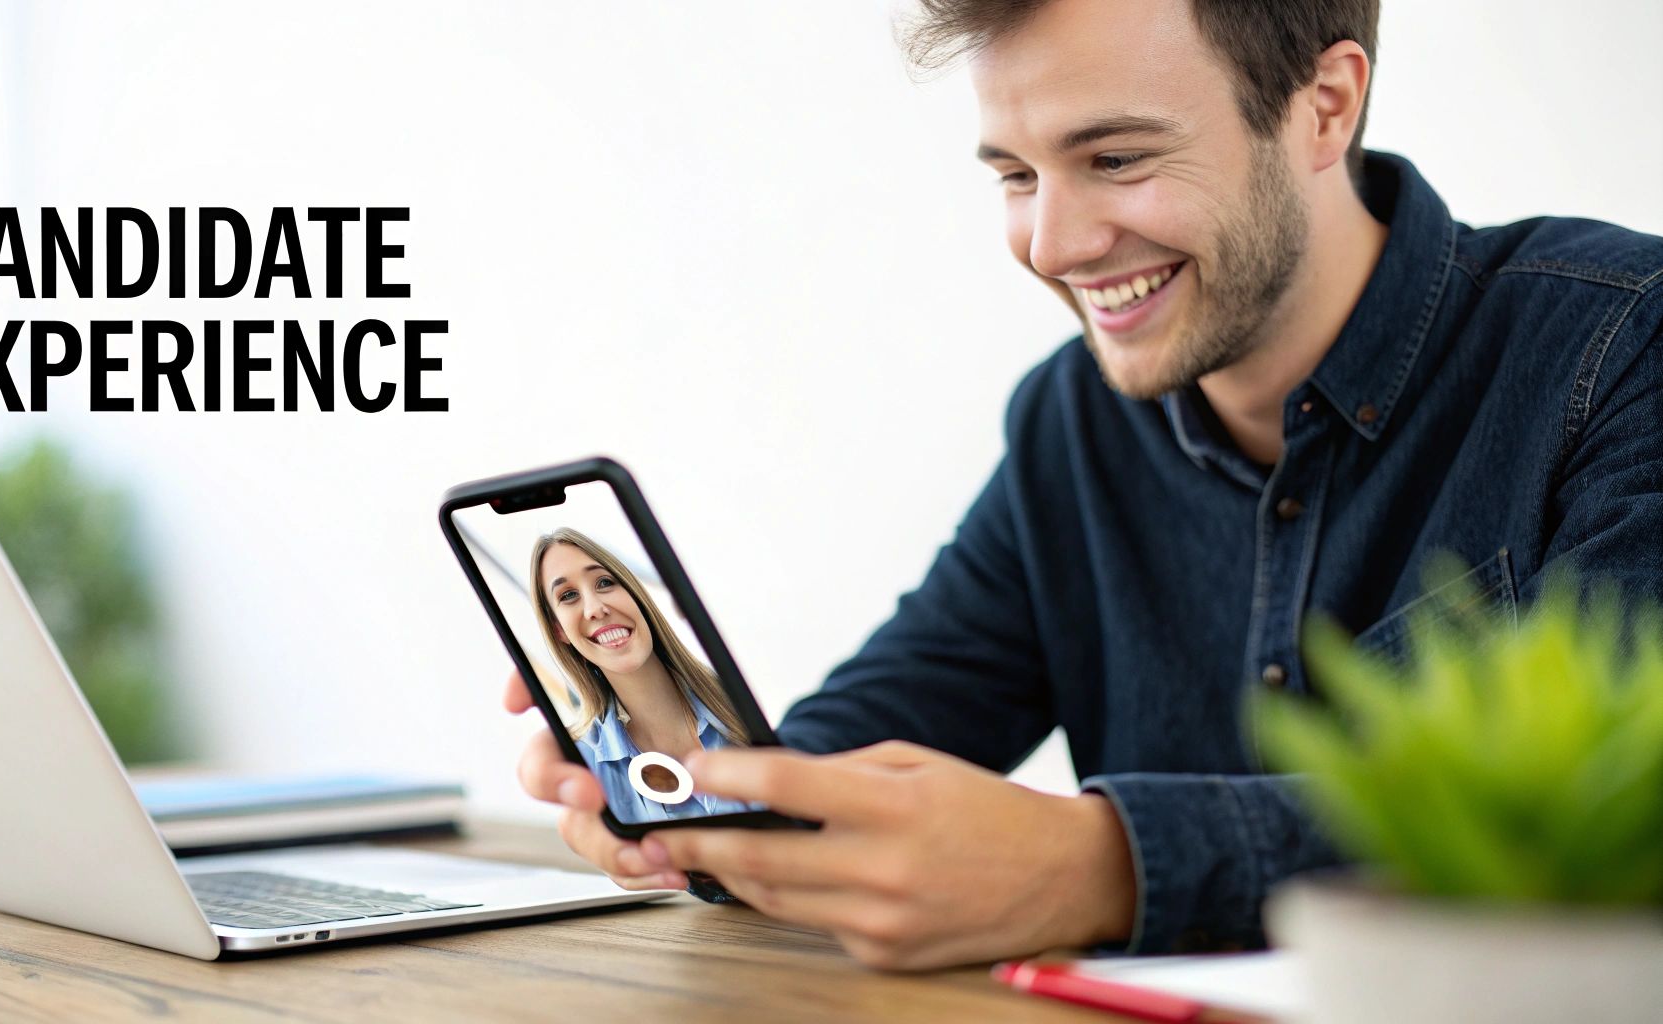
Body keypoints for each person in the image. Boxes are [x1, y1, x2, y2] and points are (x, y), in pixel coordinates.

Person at [507, 0, 1663, 970]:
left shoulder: (1617, 347)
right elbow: (866, 738)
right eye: (1015, 173)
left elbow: (1626, 821)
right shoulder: (1069, 421)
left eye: (1114, 158)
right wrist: (679, 783)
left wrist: (1105, 866)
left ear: (1323, 104)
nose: (1050, 244)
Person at [530, 527, 757, 823]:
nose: (595, 609)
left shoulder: (740, 704)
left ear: (636, 594)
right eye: (569, 595)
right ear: (559, 630)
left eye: (605, 582)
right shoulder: (583, 765)